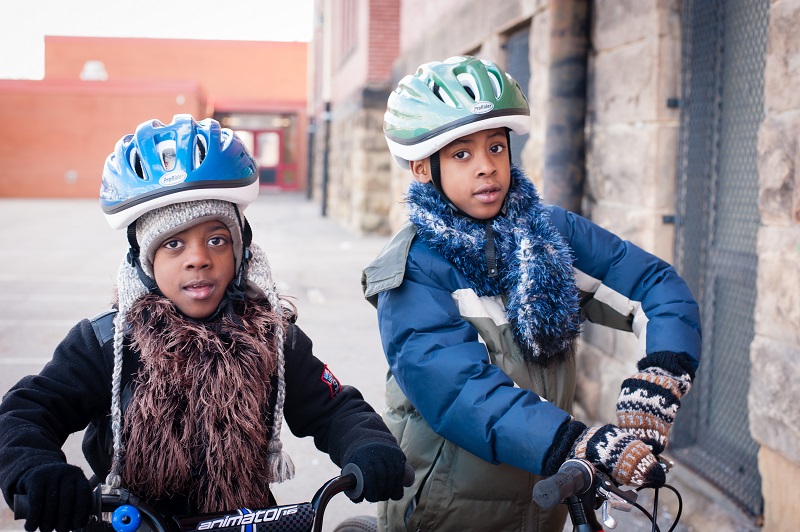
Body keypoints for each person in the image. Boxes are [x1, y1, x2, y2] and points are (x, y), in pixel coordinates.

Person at [0, 115, 408, 532]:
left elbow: (334, 407)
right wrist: (36, 469)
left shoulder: (273, 337)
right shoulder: (107, 342)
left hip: (244, 520)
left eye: (216, 239)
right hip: (130, 520)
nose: (198, 258)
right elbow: (27, 410)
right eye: (173, 244)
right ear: (145, 262)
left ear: (241, 251)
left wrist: (367, 444)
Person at [361, 56, 701, 531]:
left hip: (548, 502)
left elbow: (657, 288)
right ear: (423, 168)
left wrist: (659, 384)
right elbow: (459, 392)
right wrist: (576, 443)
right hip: (448, 512)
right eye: (462, 154)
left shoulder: (548, 234)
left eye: (496, 147)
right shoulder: (412, 270)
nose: (487, 168)